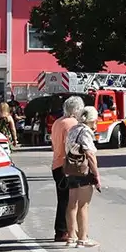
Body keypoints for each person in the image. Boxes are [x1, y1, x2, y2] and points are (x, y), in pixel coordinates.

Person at [64, 106, 102, 248]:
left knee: (71, 204)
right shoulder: (86, 132)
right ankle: (83, 238)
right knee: (84, 205)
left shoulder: (73, 129)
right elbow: (90, 154)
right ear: (92, 120)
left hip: (70, 169)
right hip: (83, 171)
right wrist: (96, 175)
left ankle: (71, 237)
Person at [51, 96, 83, 243]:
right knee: (71, 201)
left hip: (56, 163)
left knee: (62, 199)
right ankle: (67, 231)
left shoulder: (57, 122)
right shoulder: (73, 124)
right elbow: (72, 146)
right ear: (76, 110)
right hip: (67, 165)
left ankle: (61, 230)